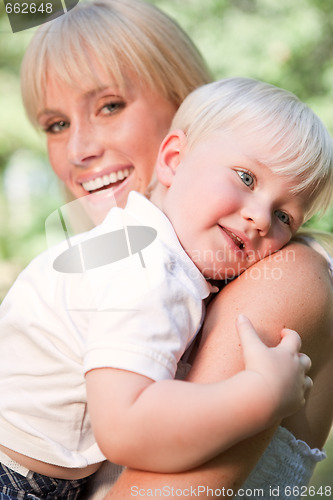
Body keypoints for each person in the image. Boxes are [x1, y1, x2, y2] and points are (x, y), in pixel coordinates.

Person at [18, 1, 333, 498]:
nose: (79, 151)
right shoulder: (136, 262)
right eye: (56, 124)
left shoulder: (286, 273)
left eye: (110, 106)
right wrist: (255, 396)